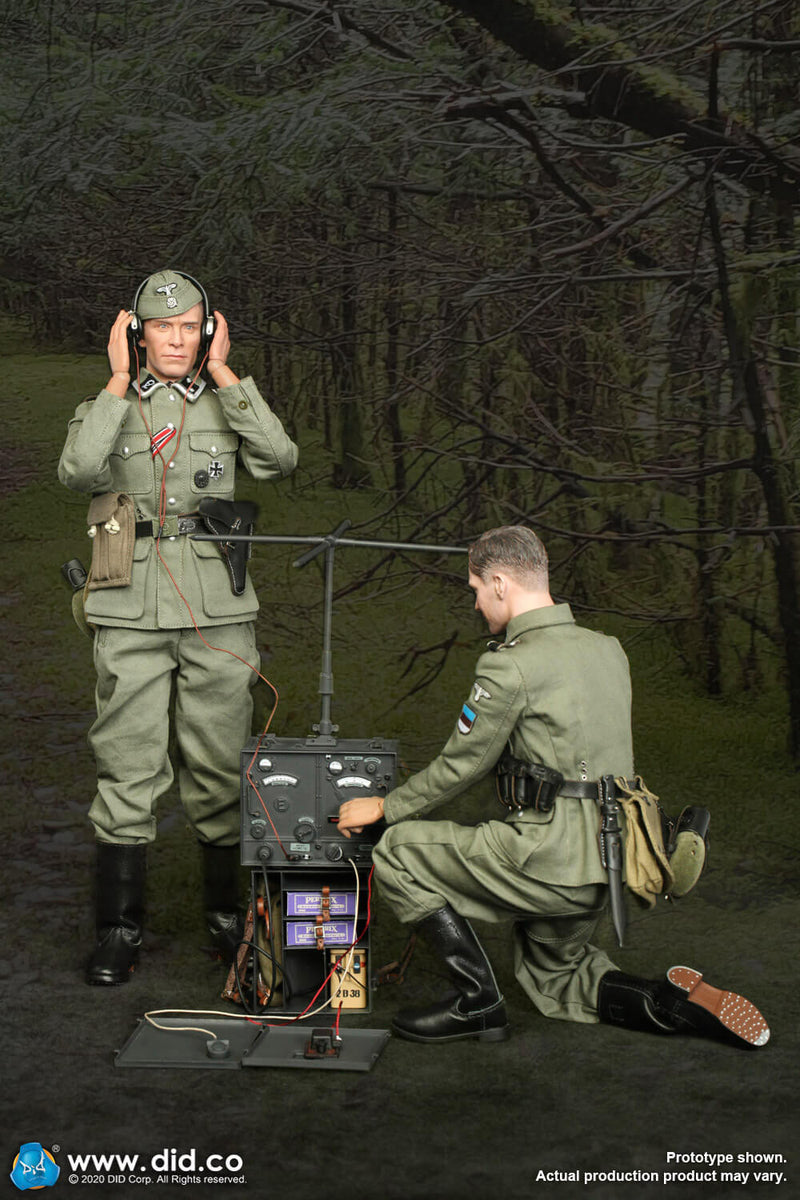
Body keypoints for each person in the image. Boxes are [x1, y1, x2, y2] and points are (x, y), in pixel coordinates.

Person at [337, 526, 769, 1049]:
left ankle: (479, 1005)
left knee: (399, 852)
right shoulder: (607, 650)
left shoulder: (509, 664)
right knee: (554, 978)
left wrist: (385, 806)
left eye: (475, 589)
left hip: (549, 863)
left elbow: (461, 766)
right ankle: (675, 1006)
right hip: (615, 863)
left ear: (499, 582)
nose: (476, 604)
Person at [59, 269, 298, 985]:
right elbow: (76, 472)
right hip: (127, 600)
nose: (177, 338)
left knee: (223, 760)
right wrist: (116, 380)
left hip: (214, 608)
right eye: (162, 326)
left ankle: (228, 922)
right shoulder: (109, 404)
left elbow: (280, 460)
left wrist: (226, 373)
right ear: (137, 333)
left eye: (190, 327)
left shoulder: (224, 402)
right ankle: (119, 929)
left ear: (207, 332)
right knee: (128, 762)